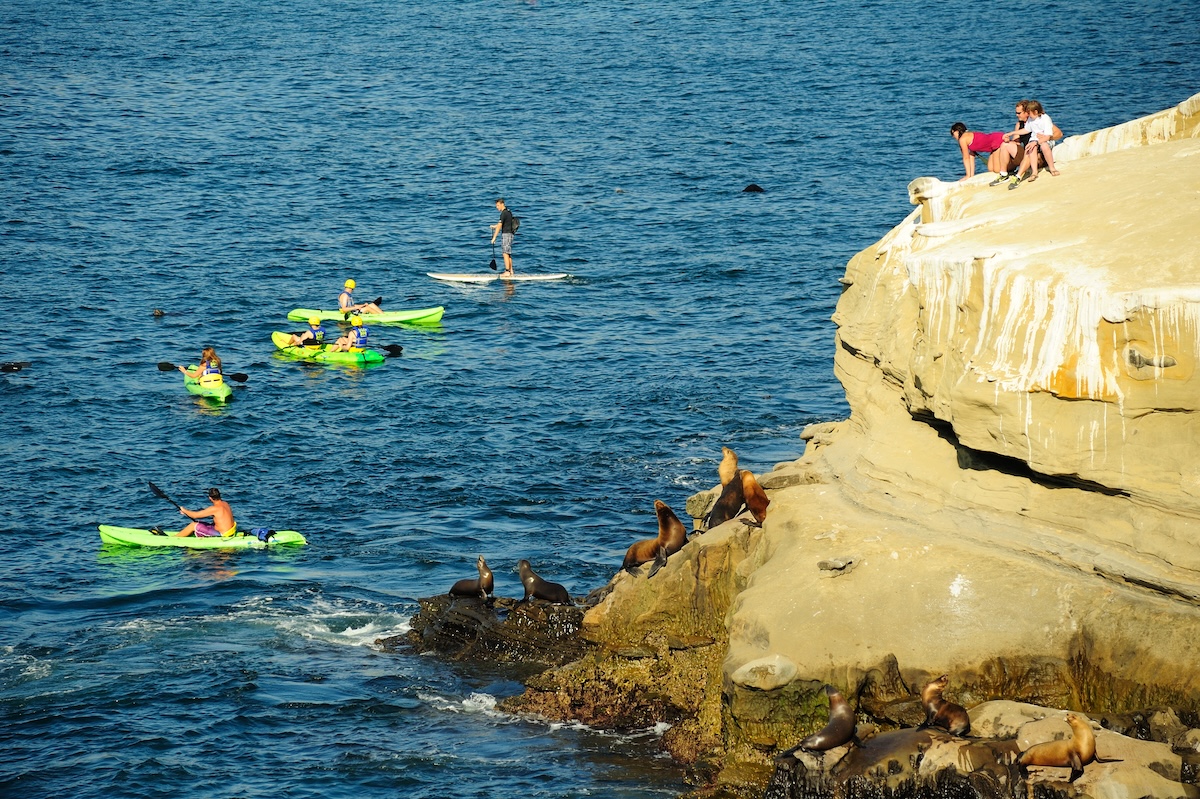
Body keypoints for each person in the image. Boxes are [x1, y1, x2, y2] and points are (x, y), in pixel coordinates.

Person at [1005, 100, 1060, 189]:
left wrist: (1037, 142)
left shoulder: (1045, 118)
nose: (1028, 115)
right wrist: (1011, 133)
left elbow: (1048, 136)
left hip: (1044, 139)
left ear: (1035, 112)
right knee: (1031, 149)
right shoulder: (1030, 120)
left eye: (1029, 113)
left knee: (1044, 146)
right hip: (1034, 139)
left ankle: (1052, 168)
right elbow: (1026, 130)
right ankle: (1034, 172)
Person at [489, 198, 515, 276]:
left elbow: (500, 225)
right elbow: (504, 223)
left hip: (506, 234)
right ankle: (511, 270)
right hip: (510, 234)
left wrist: (494, 237)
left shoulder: (503, 213)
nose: (497, 207)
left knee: (505, 253)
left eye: (498, 205)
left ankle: (507, 271)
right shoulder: (508, 212)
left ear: (502, 204)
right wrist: (494, 226)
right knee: (508, 253)